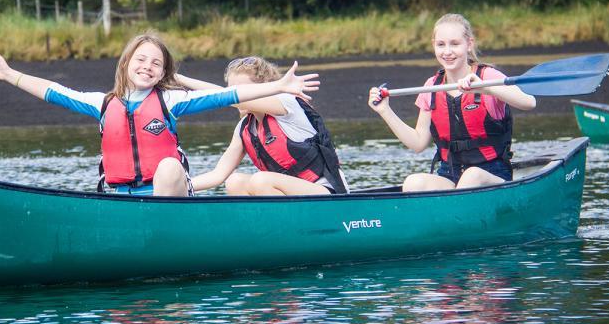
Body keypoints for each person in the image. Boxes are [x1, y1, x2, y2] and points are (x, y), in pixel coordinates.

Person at [0, 33, 319, 196]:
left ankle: (161, 238)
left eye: (156, 63)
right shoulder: (101, 103)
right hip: (123, 198)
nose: (147, 66)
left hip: (168, 200)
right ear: (127, 63)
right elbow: (54, 91)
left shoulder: (171, 100)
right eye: (141, 59)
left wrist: (278, 87)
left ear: (162, 73)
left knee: (169, 165)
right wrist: (11, 75)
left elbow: (228, 95)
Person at [367, 13, 536, 192]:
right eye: (441, 45)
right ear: (434, 46)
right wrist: (384, 110)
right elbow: (418, 143)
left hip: (491, 174)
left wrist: (485, 89)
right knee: (413, 182)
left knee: (472, 175)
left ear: (469, 44)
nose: (447, 51)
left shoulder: (487, 77)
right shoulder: (431, 86)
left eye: (455, 44)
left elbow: (529, 102)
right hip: (450, 174)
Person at [178, 56, 348, 196]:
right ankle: (262, 231)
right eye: (232, 90)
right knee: (234, 181)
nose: (235, 95)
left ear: (264, 88)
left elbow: (225, 98)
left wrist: (180, 79)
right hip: (294, 199)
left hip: (327, 194)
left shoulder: (286, 104)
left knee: (261, 180)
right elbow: (217, 176)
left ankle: (281, 231)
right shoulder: (244, 128)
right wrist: (168, 190)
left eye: (240, 90)